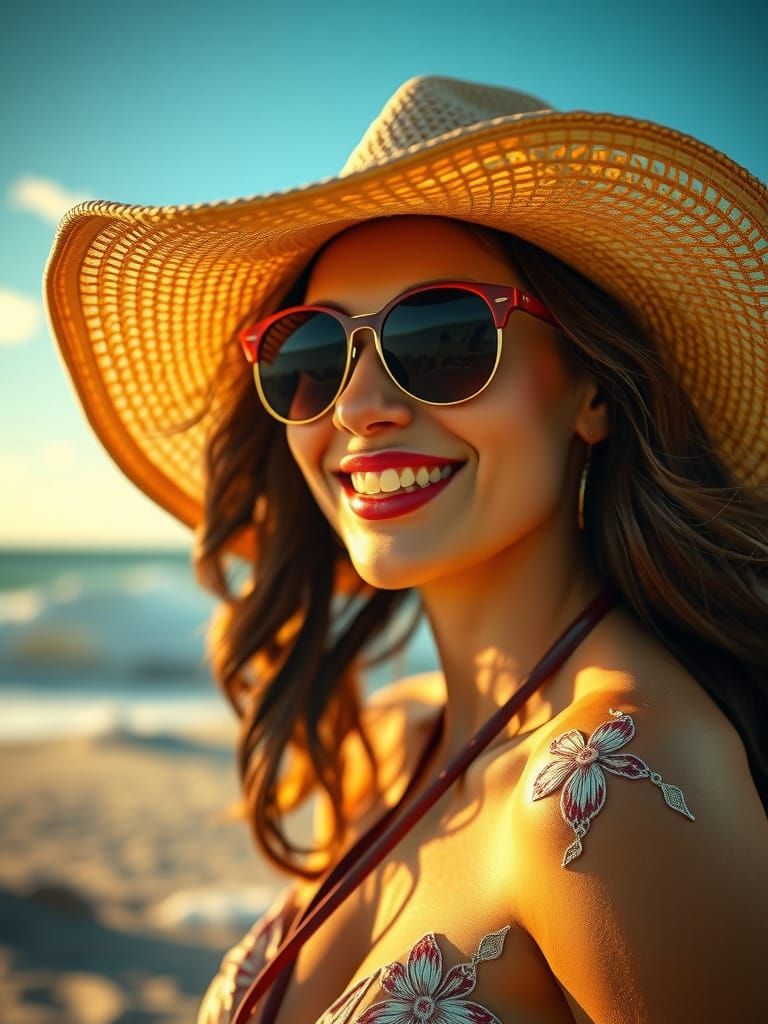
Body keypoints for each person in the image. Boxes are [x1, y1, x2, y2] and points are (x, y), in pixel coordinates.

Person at [45, 76, 768, 1023]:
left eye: (443, 340)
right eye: (310, 354)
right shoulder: (396, 737)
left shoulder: (617, 792)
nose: (358, 407)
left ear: (592, 388)